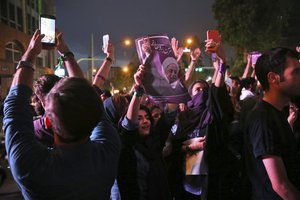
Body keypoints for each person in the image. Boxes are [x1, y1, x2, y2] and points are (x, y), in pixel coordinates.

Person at [3, 29, 120, 199]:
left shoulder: (29, 167)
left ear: (50, 117)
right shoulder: (109, 150)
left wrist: (30, 53)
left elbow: (14, 105)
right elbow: (15, 103)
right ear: (94, 116)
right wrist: (64, 53)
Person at [245, 47, 300, 199]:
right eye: (296, 72)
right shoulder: (262, 118)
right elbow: (281, 186)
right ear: (273, 78)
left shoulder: (276, 112)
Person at [117, 65, 171, 200]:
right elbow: (129, 124)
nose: (145, 121)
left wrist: (172, 75)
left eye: (147, 118)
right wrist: (138, 89)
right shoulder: (128, 147)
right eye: (139, 119)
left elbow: (170, 112)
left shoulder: (155, 142)